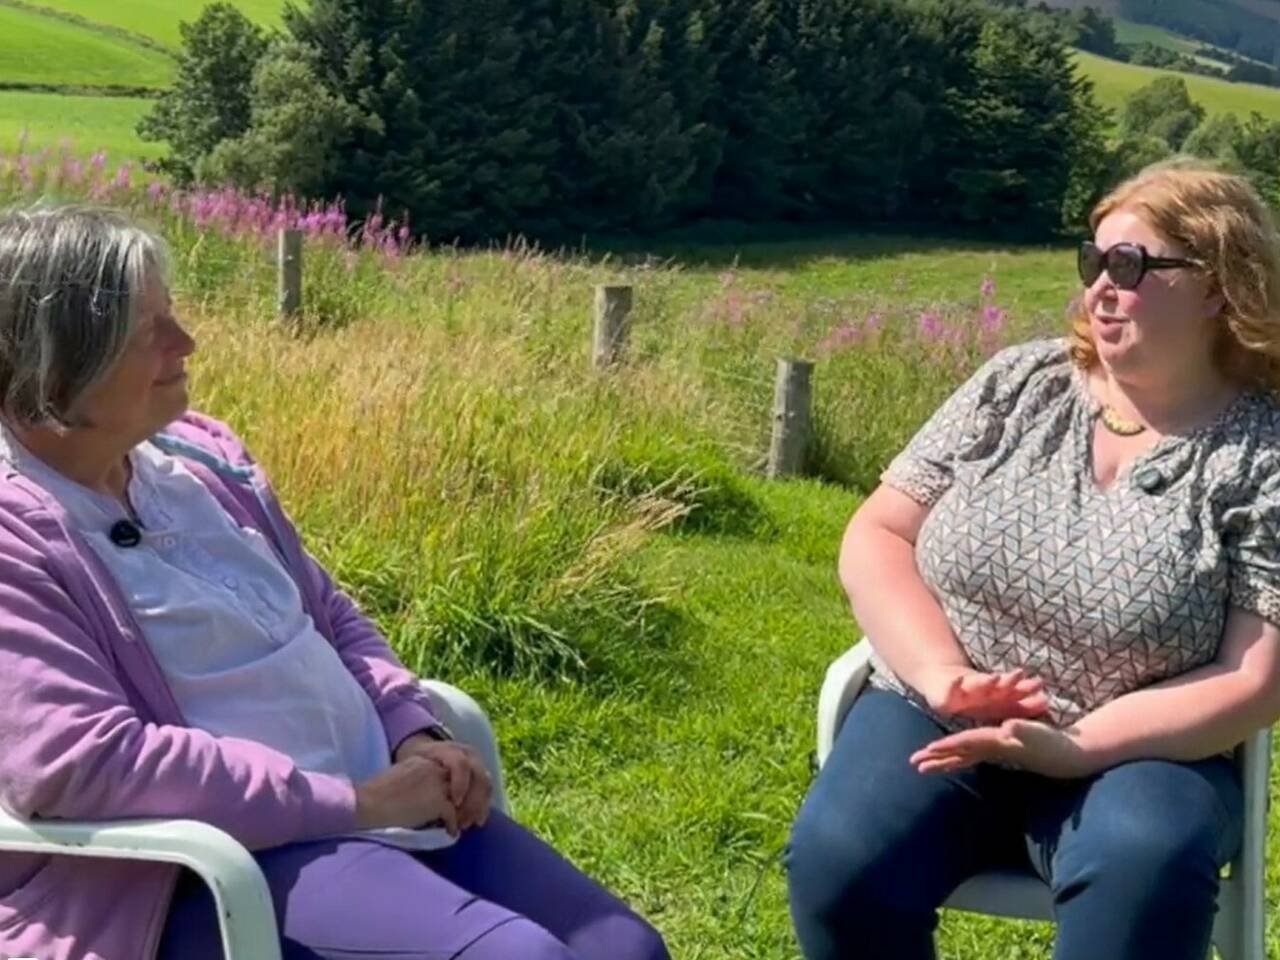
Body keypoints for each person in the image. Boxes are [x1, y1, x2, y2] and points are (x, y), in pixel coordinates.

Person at [0, 204, 670, 960]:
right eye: (145, 330)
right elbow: (80, 763)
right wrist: (353, 803)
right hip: (207, 872)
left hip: (387, 803)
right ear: (55, 367)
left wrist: (410, 729)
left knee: (626, 949)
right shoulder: (16, 533)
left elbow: (327, 616)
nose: (185, 343)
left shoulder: (200, 465)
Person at [786, 158, 1280, 960]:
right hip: (941, 708)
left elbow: (1256, 676)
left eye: (1132, 265)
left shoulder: (1262, 454)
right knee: (839, 865)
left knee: (1143, 869)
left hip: (1141, 750)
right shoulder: (1020, 383)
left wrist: (1080, 744)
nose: (1101, 288)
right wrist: (946, 674)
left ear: (1220, 286)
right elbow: (878, 534)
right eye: (1095, 262)